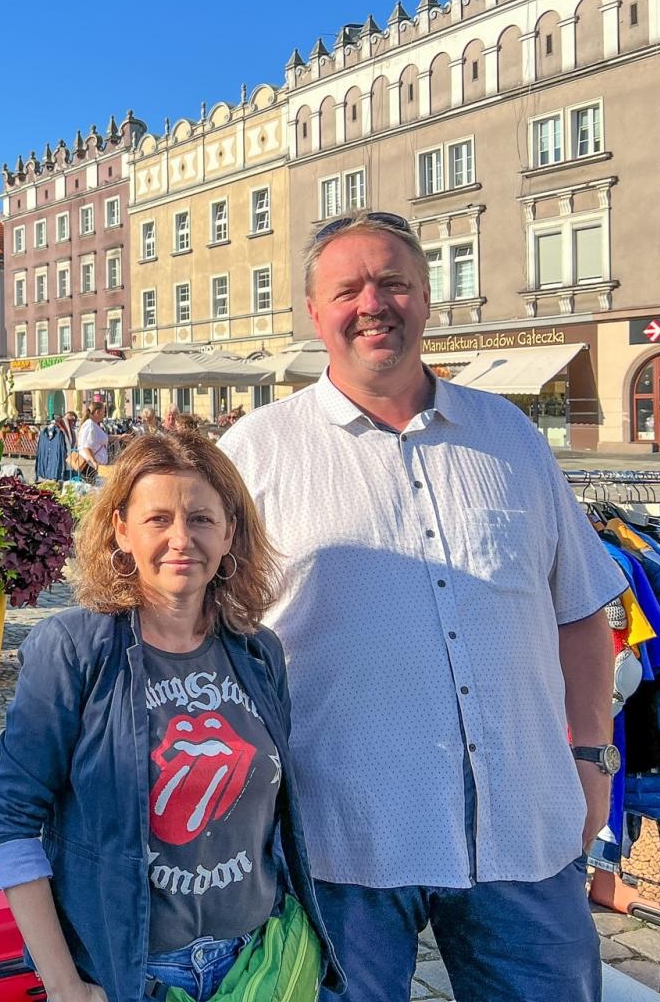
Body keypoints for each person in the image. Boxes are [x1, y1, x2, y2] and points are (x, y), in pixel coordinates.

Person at [218, 211, 624, 1002]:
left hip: (522, 823)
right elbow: (204, 635)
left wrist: (593, 757)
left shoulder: (510, 436)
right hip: (342, 838)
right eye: (349, 289)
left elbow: (579, 611)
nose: (373, 304)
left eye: (393, 283)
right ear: (315, 312)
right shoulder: (256, 452)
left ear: (427, 298)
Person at [0, 433, 343, 1002]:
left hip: (257, 963)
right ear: (122, 530)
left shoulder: (257, 653)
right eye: (158, 519)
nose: (181, 538)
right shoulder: (75, 649)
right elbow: (9, 823)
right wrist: (64, 985)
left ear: (229, 533)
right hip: (137, 974)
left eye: (201, 519)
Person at [76, 401, 111, 470]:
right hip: (91, 466)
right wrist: (94, 462)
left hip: (94, 465)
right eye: (103, 412)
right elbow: (86, 446)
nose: (104, 415)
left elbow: (103, 438)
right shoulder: (90, 425)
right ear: (97, 412)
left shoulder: (93, 425)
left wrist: (121, 437)